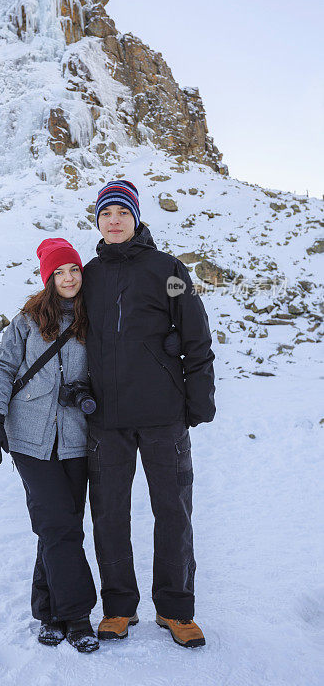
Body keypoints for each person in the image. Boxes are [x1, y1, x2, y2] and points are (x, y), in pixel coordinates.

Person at [81, 179, 216, 649]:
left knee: (173, 513)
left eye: (122, 213)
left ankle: (176, 610)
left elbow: (195, 334)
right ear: (97, 221)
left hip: (163, 417)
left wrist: (198, 403)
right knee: (109, 516)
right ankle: (119, 607)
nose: (113, 220)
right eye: (106, 214)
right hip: (106, 421)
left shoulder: (170, 270)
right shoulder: (88, 276)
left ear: (135, 219)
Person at [0, 238, 99, 653]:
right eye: (59, 272)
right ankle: (79, 616)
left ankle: (47, 610)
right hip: (29, 439)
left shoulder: (93, 317)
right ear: (48, 278)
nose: (68, 278)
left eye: (74, 270)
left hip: (76, 440)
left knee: (56, 527)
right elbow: (4, 367)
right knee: (60, 525)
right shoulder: (27, 321)